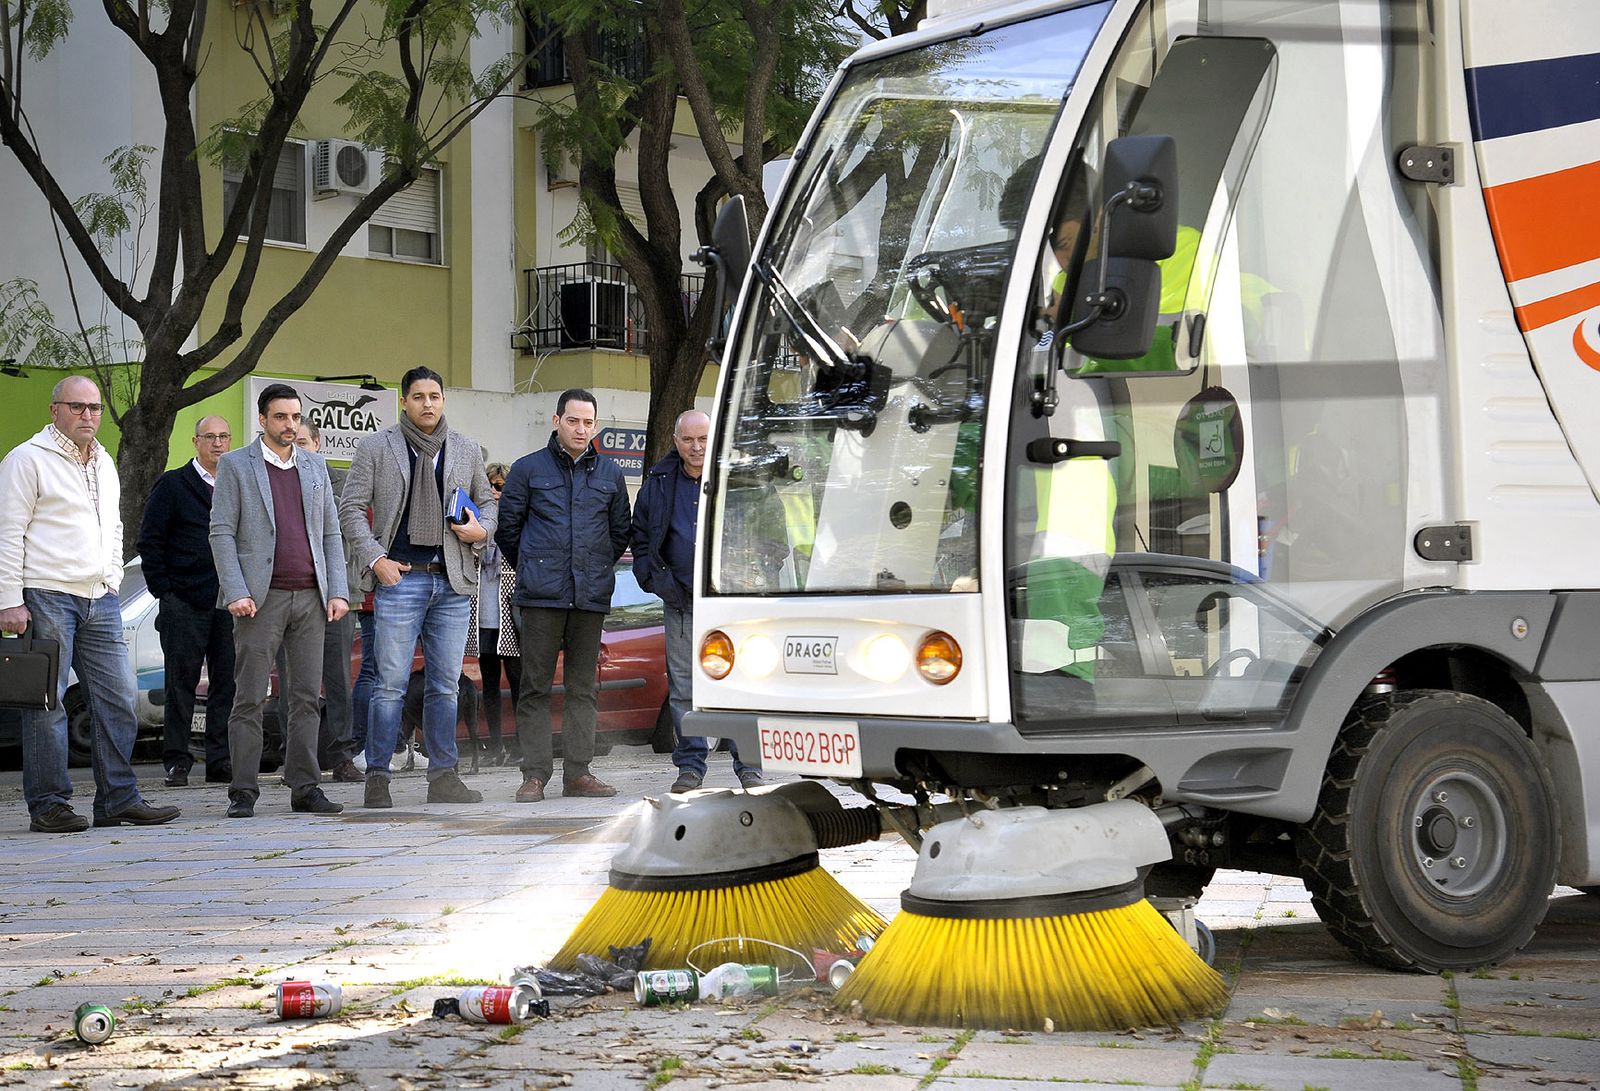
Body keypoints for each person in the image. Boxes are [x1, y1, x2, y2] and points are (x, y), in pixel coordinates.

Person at [0, 376, 180, 832]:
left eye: (94, 408)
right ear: (54, 409)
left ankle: (118, 799)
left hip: (100, 597)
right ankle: (49, 805)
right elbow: (6, 533)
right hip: (44, 593)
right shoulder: (26, 460)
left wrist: (115, 577)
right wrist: (8, 600)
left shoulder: (102, 460)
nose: (88, 416)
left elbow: (115, 526)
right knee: (47, 703)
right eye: (77, 407)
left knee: (118, 698)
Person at [338, 366, 497, 809]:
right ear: (403, 402)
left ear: (443, 400)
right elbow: (350, 509)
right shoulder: (376, 447)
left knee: (446, 685)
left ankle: (443, 776)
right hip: (400, 579)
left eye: (435, 395)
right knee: (388, 684)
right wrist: (377, 560)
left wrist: (481, 530)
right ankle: (377, 778)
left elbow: (486, 501)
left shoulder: (466, 449)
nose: (428, 403)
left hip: (451, 580)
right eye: (419, 396)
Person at [210, 383, 350, 819]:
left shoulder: (314, 466)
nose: (290, 425)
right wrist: (235, 591)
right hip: (259, 598)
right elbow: (221, 532)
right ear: (263, 419)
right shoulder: (235, 465)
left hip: (311, 595)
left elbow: (330, 532)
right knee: (249, 697)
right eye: (281, 417)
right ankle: (243, 791)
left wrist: (339, 589)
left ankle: (305, 787)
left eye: (295, 417)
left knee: (307, 697)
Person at [495, 388, 630, 803]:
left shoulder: (609, 474)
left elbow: (619, 532)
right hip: (540, 596)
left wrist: (593, 568)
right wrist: (535, 567)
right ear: (557, 421)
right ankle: (534, 774)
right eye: (573, 420)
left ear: (595, 427)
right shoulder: (527, 469)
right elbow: (508, 532)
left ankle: (579, 773)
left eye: (588, 423)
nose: (581, 429)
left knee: (583, 688)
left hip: (589, 596)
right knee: (534, 687)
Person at [632, 409, 762, 793]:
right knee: (684, 689)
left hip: (732, 603)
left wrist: (754, 577)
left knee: (738, 685)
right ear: (676, 441)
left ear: (715, 438)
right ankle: (690, 767)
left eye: (703, 438)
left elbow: (771, 532)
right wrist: (657, 581)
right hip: (682, 603)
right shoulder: (657, 482)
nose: (696, 446)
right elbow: (640, 539)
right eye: (688, 439)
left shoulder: (740, 479)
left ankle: (750, 766)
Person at [138, 415, 236, 788]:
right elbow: (149, 541)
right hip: (184, 602)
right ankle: (177, 761)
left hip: (229, 602)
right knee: (180, 685)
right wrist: (165, 591)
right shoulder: (174, 485)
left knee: (226, 684)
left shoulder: (236, 483)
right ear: (195, 441)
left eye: (224, 437)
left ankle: (220, 760)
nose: (218, 443)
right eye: (210, 437)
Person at [292, 421, 363, 783]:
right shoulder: (277, 479)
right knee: (294, 682)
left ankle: (342, 756)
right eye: (294, 442)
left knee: (338, 681)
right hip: (291, 595)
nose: (299, 448)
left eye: (304, 442)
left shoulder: (343, 483)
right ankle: (297, 761)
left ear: (318, 444)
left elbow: (348, 532)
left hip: (337, 594)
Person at [475, 462, 517, 765]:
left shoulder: (516, 520)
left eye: (500, 486)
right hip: (484, 617)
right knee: (489, 686)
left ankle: (523, 746)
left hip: (512, 617)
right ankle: (495, 747)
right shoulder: (476, 522)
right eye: (490, 485)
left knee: (519, 685)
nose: (494, 491)